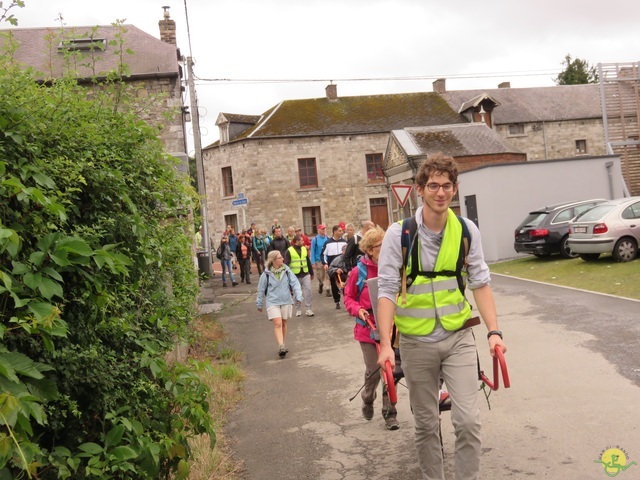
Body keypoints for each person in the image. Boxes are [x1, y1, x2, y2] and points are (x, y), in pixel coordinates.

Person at [376, 152, 507, 480]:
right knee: (426, 425)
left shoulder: (466, 231)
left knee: (468, 421)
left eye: (446, 186)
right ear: (419, 189)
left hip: (458, 338)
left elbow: (481, 282)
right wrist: (385, 345)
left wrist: (494, 332)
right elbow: (387, 291)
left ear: (455, 188)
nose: (440, 192)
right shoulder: (399, 235)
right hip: (416, 344)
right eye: (433, 185)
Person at [343, 227, 400, 431]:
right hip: (367, 329)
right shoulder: (360, 272)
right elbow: (348, 298)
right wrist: (358, 310)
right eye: (380, 246)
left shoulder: (393, 267)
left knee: (390, 370)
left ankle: (389, 413)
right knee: (374, 371)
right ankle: (367, 398)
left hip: (391, 328)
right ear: (369, 250)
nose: (385, 249)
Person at [256, 250, 304, 358]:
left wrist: (299, 296)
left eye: (282, 257)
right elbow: (260, 289)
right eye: (279, 257)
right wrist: (259, 303)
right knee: (277, 323)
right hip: (272, 302)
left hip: (286, 300)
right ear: (273, 260)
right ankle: (281, 346)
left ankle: (282, 342)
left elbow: (295, 284)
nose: (282, 259)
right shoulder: (266, 274)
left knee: (283, 323)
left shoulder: (287, 271)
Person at [284, 234, 315, 317]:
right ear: (297, 241)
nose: (303, 241)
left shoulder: (304, 249)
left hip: (305, 273)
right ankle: (298, 309)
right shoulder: (289, 251)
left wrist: (311, 273)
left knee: (308, 291)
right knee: (296, 293)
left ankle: (308, 309)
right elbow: (286, 264)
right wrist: (287, 276)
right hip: (295, 275)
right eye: (301, 240)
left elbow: (308, 261)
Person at [322, 225, 347, 309]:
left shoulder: (344, 242)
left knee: (345, 284)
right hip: (332, 267)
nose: (342, 232)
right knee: (334, 284)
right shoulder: (327, 243)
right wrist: (325, 264)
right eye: (340, 231)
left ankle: (347, 300)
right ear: (335, 232)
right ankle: (337, 301)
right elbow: (323, 254)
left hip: (343, 267)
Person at [310, 224, 329, 296]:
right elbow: (312, 251)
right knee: (320, 276)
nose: (323, 230)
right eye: (322, 229)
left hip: (326, 260)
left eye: (324, 229)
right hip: (318, 260)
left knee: (328, 275)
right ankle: (321, 283)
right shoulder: (315, 239)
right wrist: (313, 262)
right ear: (319, 230)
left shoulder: (327, 238)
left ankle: (328, 289)